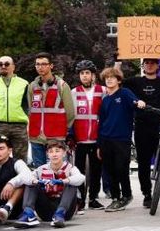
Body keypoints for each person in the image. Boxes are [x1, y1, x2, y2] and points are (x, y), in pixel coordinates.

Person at [117, 46, 160, 208]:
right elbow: (116, 80)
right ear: (143, 66)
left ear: (158, 66)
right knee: (143, 162)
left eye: (152, 63)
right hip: (141, 126)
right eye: (146, 63)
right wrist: (117, 62)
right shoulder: (135, 81)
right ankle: (147, 194)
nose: (149, 65)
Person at [97, 67, 146, 212]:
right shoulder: (105, 100)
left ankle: (127, 195)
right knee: (109, 171)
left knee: (121, 169)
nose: (109, 79)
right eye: (107, 78)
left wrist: (139, 103)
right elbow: (102, 123)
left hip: (121, 139)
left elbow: (135, 102)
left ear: (118, 80)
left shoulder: (124, 93)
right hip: (106, 140)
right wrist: (99, 145)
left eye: (112, 77)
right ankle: (115, 199)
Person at [14, 140, 85, 228]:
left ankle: (59, 214)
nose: (54, 154)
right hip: (46, 210)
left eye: (57, 151)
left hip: (66, 211)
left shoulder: (71, 168)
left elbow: (81, 178)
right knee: (31, 182)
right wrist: (35, 181)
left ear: (64, 153)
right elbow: (23, 178)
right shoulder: (41, 169)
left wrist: (63, 181)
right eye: (51, 152)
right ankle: (28, 214)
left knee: (71, 183)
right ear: (47, 154)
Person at [69, 60, 106, 211]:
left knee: (96, 170)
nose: (84, 76)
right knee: (79, 170)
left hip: (96, 139)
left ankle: (94, 198)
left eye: (87, 73)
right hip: (80, 139)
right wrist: (70, 135)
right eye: (82, 73)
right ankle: (80, 199)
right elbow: (71, 115)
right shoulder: (73, 92)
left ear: (93, 75)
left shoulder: (102, 90)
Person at [27, 52, 75, 167]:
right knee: (39, 171)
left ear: (51, 66)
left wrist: (65, 131)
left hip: (56, 137)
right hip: (36, 137)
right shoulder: (32, 86)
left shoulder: (62, 86)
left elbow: (70, 113)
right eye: (37, 64)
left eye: (44, 64)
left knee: (57, 170)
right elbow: (31, 110)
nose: (40, 67)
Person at [0, 56, 30, 162]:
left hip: (20, 127)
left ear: (13, 67)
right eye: (0, 64)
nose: (3, 66)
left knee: (20, 160)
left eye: (6, 64)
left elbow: (30, 107)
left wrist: (30, 125)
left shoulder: (24, 84)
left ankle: (20, 179)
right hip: (0, 126)